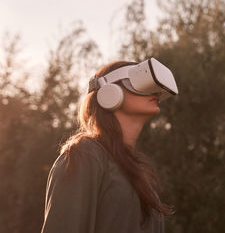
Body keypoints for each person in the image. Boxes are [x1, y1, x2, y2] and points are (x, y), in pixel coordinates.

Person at [41, 60, 176, 233]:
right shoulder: (85, 154)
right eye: (139, 82)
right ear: (109, 92)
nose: (155, 92)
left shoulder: (139, 172)